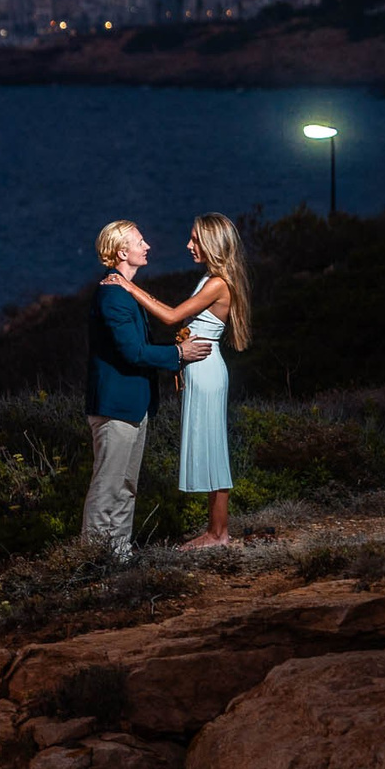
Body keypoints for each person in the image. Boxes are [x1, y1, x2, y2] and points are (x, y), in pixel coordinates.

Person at [117, 213, 252, 548]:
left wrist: (128, 286)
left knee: (214, 448)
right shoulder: (211, 278)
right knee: (208, 445)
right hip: (199, 370)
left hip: (207, 371)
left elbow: (173, 316)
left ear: (211, 242)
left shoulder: (217, 283)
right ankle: (215, 530)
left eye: (194, 239)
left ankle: (218, 533)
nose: (188, 245)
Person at [85, 219, 214, 559]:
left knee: (126, 486)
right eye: (140, 241)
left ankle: (119, 553)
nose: (148, 246)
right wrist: (176, 354)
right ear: (121, 251)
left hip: (133, 405)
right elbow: (131, 352)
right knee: (108, 485)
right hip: (116, 406)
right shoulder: (113, 296)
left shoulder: (123, 292)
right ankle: (94, 558)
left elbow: (136, 347)